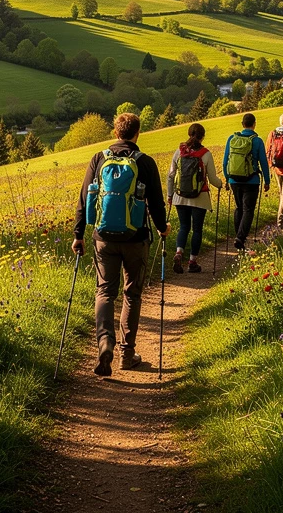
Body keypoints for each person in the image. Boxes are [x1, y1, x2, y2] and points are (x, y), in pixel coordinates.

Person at [73, 112, 168, 377]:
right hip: (135, 239)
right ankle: (127, 353)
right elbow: (157, 203)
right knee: (132, 294)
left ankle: (105, 344)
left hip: (103, 238)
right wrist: (163, 228)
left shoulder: (98, 158)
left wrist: (78, 234)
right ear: (138, 133)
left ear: (116, 132)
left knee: (104, 292)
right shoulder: (145, 162)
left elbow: (84, 199)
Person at [166, 122, 223, 273]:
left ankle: (179, 252)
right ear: (203, 136)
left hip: (180, 196)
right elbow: (212, 178)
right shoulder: (206, 154)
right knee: (197, 229)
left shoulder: (179, 152)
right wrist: (221, 184)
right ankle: (192, 262)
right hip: (200, 197)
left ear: (189, 134)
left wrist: (170, 195)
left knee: (184, 227)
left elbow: (171, 176)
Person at [222, 112, 269, 251]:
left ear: (242, 124)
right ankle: (240, 238)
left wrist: (227, 178)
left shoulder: (232, 138)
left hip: (234, 180)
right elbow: (264, 163)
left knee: (239, 208)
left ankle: (239, 237)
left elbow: (225, 162)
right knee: (248, 210)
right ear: (254, 124)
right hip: (252, 180)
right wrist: (267, 180)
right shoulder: (257, 141)